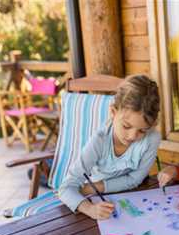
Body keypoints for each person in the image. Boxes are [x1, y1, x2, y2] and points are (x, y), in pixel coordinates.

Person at [58, 74, 161, 220]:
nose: (132, 136)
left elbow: (135, 179)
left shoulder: (152, 139)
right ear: (113, 112)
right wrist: (89, 209)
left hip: (132, 198)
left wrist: (97, 186)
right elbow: (65, 188)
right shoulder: (99, 141)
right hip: (99, 203)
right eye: (126, 126)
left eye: (142, 130)